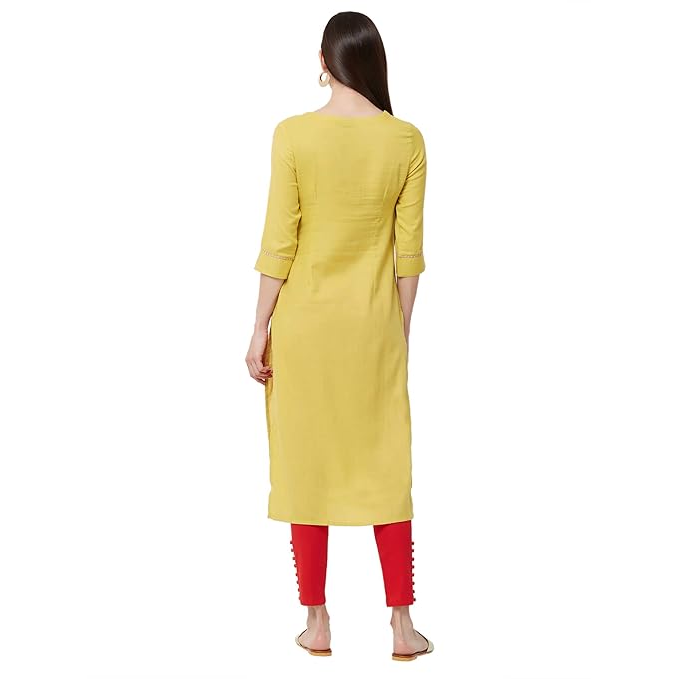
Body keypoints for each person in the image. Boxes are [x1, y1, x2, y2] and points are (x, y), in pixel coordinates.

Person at [245, 11, 433, 661]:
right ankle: (402, 625)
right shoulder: (405, 140)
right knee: (387, 463)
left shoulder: (293, 135)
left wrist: (258, 328)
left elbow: (279, 241)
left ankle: (317, 620)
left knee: (307, 464)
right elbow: (408, 255)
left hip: (304, 328)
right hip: (372, 327)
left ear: (324, 62)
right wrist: (396, 331)